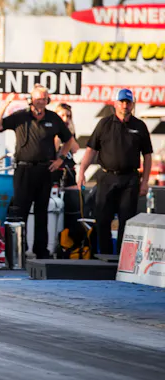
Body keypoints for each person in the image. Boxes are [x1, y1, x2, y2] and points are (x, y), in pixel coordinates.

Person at [0, 84, 76, 259]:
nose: (40, 102)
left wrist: (60, 158)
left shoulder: (53, 118)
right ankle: (19, 250)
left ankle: (41, 250)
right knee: (21, 210)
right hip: (24, 169)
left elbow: (69, 139)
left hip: (45, 170)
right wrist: (5, 104)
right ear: (31, 100)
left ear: (47, 100)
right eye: (37, 99)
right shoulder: (21, 116)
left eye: (43, 99)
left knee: (42, 212)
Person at [76, 88, 152, 255]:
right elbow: (91, 150)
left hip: (130, 180)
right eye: (122, 102)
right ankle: (105, 256)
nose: (125, 105)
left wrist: (145, 182)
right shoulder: (104, 124)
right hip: (107, 177)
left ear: (132, 104)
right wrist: (81, 172)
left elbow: (147, 155)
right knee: (103, 220)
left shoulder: (139, 126)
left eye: (128, 102)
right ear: (115, 103)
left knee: (127, 221)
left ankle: (122, 259)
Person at [51, 103, 80, 189]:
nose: (65, 119)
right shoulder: (52, 129)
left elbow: (75, 149)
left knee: (72, 193)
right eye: (62, 115)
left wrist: (69, 133)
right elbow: (54, 149)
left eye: (68, 116)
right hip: (55, 168)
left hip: (68, 167)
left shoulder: (70, 130)